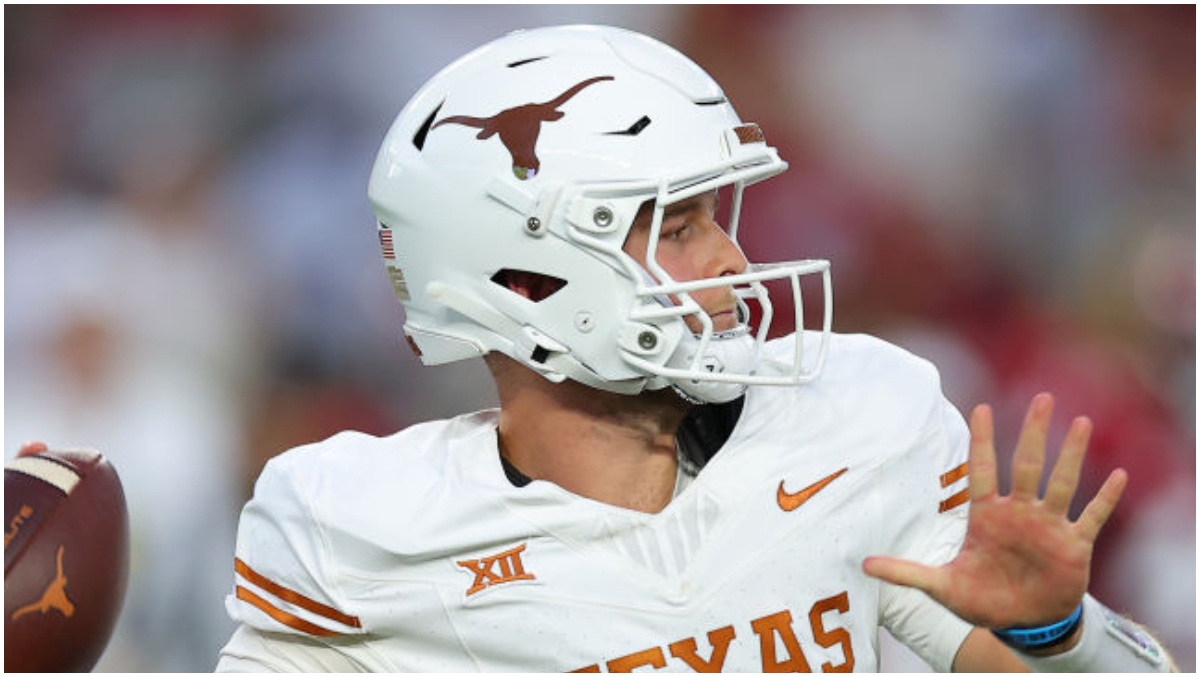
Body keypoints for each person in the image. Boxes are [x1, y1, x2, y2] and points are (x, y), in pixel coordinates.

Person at [215, 25, 1174, 672]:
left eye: (716, 216)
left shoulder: (857, 420)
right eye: (678, 229)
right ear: (524, 281)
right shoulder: (356, 532)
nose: (733, 259)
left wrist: (1058, 634)